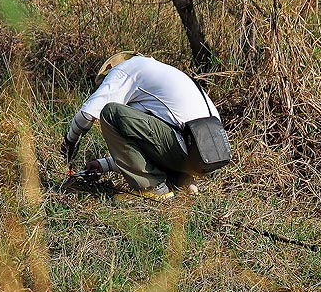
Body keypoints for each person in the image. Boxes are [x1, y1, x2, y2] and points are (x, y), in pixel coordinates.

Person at [61, 52, 223, 201]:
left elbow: (87, 114)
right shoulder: (162, 74)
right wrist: (104, 165)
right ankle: (182, 182)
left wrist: (70, 142)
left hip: (186, 145)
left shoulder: (126, 69)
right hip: (209, 155)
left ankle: (152, 188)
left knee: (111, 113)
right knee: (137, 124)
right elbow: (150, 144)